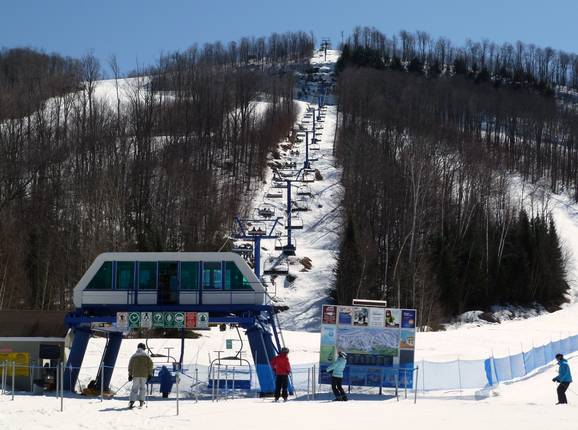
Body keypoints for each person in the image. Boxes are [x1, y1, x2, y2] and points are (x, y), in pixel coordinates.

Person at [128, 343, 154, 409]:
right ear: (143, 348)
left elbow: (130, 366)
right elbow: (150, 365)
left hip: (135, 375)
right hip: (144, 375)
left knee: (134, 388)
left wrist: (130, 375)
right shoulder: (147, 356)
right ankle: (141, 401)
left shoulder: (133, 356)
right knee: (142, 388)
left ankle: (131, 401)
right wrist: (150, 374)